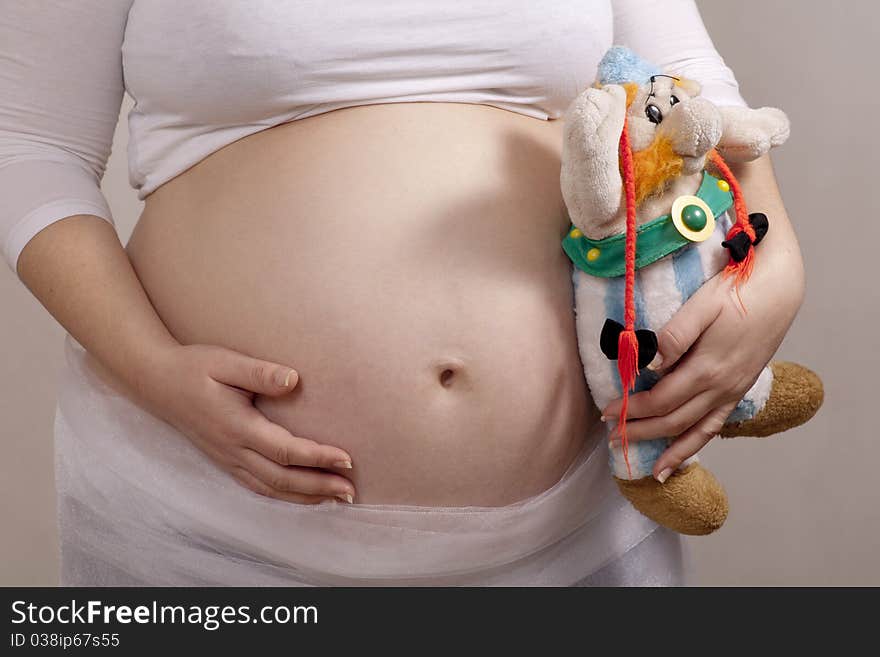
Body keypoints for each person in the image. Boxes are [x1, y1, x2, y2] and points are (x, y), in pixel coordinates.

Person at [0, 0, 805, 586]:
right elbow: (27, 145)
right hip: (210, 526)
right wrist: (152, 370)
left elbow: (698, 95)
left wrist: (777, 277)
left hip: (573, 529)